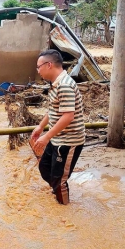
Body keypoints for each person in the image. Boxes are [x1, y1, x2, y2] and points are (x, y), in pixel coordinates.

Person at [31, 49, 85, 205]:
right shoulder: (55, 84)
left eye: (38, 66)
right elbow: (54, 109)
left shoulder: (65, 86)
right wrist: (41, 127)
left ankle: (64, 210)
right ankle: (57, 191)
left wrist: (46, 137)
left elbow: (68, 116)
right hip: (57, 137)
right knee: (44, 167)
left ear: (49, 65)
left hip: (69, 140)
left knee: (59, 179)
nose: (38, 70)